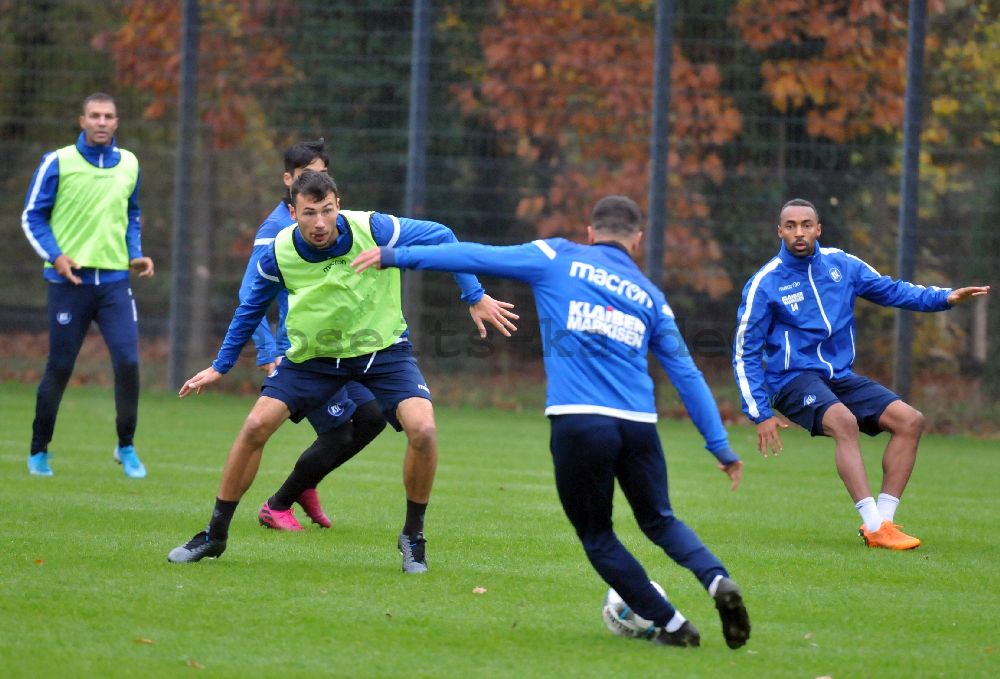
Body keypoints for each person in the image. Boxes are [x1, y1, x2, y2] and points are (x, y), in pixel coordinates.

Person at [353, 195, 751, 649]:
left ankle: (674, 626)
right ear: (637, 241)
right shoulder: (649, 296)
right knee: (660, 521)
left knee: (598, 536)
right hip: (638, 424)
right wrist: (719, 445)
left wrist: (396, 255)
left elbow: (476, 255)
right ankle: (716, 579)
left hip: (580, 421)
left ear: (591, 233)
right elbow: (687, 374)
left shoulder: (557, 255)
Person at [168, 171, 518, 573]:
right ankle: (214, 535)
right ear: (292, 212)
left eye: (327, 210)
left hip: (382, 351)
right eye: (309, 213)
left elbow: (443, 235)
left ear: (339, 205)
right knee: (255, 426)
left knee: (423, 430)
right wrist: (221, 366)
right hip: (313, 358)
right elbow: (250, 309)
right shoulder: (280, 252)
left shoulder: (374, 229)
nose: (320, 222)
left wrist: (474, 294)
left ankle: (413, 537)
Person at [732, 198, 990, 550]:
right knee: (844, 422)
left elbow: (891, 289)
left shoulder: (842, 264)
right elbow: (744, 351)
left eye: (806, 225)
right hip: (791, 379)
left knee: (910, 421)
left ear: (818, 229)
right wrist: (760, 412)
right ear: (779, 232)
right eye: (790, 226)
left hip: (838, 376)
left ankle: (882, 523)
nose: (799, 232)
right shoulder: (765, 283)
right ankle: (874, 525)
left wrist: (943, 298)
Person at [239, 139, 386, 531]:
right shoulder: (276, 230)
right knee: (338, 434)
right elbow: (249, 295)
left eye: (322, 176)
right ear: (288, 181)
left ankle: (304, 483)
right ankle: (279, 503)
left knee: (373, 416)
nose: (314, 184)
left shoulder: (334, 224)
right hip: (300, 352)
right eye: (306, 177)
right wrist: (267, 351)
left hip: (339, 348)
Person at [20, 92, 155, 479]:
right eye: (94, 115)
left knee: (128, 362)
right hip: (69, 282)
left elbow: (132, 214)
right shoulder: (58, 161)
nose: (101, 122)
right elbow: (32, 216)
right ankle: (39, 450)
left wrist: (134, 254)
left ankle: (125, 446)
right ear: (82, 121)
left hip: (114, 282)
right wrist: (56, 256)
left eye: (108, 116)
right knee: (60, 366)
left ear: (116, 122)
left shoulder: (129, 163)